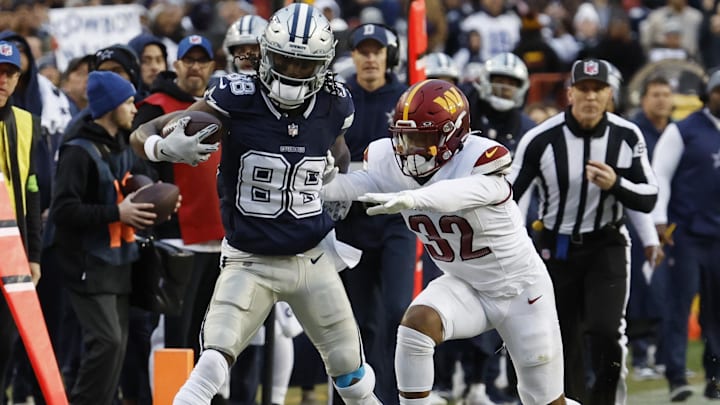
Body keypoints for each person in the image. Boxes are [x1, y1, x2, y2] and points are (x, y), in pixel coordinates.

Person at [128, 4, 377, 405]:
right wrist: (162, 145)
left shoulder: (336, 104)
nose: (292, 72)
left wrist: (332, 169)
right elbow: (142, 132)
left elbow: (339, 151)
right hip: (250, 258)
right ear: (265, 52)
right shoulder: (237, 96)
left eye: (303, 64)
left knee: (353, 375)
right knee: (213, 359)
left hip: (310, 257)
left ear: (323, 64)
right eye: (284, 60)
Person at [321, 78, 576, 405]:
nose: (410, 148)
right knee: (416, 326)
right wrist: (321, 182)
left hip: (521, 290)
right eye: (405, 137)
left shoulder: (482, 163)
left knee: (544, 401)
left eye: (422, 138)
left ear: (453, 136)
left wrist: (414, 199)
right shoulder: (390, 160)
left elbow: (457, 194)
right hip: (465, 283)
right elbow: (356, 185)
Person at [509, 58, 659, 405]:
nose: (591, 97)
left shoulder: (626, 135)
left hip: (606, 243)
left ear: (610, 94)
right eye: (584, 89)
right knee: (559, 337)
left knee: (607, 331)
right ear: (570, 93)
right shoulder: (540, 138)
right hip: (555, 247)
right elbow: (510, 196)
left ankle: (606, 401)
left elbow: (649, 197)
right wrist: (515, 249)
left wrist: (616, 183)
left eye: (598, 90)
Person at [132, 32, 223, 402]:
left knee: (209, 335)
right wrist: (156, 190)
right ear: (177, 65)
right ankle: (167, 397)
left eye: (203, 61)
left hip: (217, 235)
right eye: (190, 60)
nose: (196, 67)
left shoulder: (222, 106)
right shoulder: (155, 106)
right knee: (171, 335)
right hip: (176, 236)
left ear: (212, 66)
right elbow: (137, 155)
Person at [333, 22, 412, 405]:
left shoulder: (405, 99)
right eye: (362, 51)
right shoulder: (340, 99)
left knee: (399, 311)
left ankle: (402, 395)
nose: (368, 58)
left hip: (396, 217)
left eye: (375, 51)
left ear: (388, 55)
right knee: (356, 321)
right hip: (351, 220)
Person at [651, 69, 720, 401]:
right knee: (679, 306)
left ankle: (715, 375)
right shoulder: (683, 130)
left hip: (719, 236)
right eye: (719, 90)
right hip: (688, 233)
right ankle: (676, 375)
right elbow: (660, 174)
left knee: (717, 309)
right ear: (707, 94)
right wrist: (660, 218)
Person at [0, 39, 43, 405]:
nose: (2, 80)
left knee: (6, 341)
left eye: (9, 73)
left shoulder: (28, 124)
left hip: (13, 254)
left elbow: (31, 192)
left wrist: (34, 256)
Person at [626, 76, 674, 382]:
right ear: (643, 99)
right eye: (655, 94)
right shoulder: (632, 131)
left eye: (666, 94)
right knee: (639, 289)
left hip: (670, 222)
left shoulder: (676, 130)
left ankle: (661, 354)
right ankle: (640, 353)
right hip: (637, 220)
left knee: (665, 291)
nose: (661, 100)